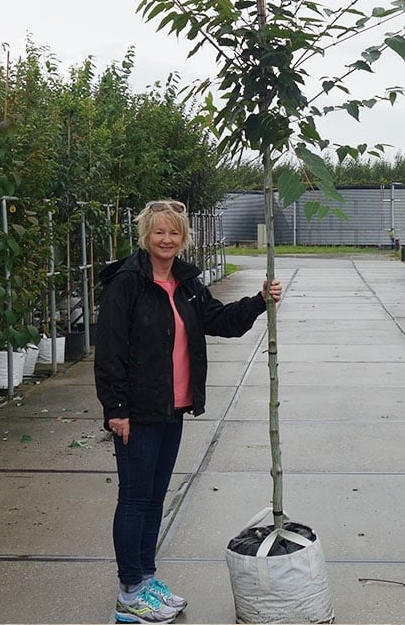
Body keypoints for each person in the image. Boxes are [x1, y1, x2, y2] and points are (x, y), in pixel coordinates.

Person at [95, 198, 282, 624]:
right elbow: (108, 351)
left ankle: (145, 578)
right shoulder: (127, 283)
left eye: (174, 232)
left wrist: (259, 300)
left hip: (173, 408)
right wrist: (116, 408)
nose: (166, 239)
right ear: (146, 235)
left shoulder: (188, 283)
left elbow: (220, 321)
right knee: (135, 498)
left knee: (155, 498)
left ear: (183, 238)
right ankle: (129, 593)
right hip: (137, 412)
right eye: (159, 231)